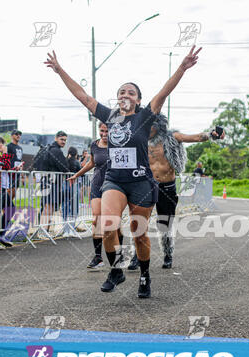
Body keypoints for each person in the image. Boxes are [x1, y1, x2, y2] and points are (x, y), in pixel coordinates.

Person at [45, 44, 202, 298]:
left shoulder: (144, 117)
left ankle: (144, 276)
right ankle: (116, 269)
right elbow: (82, 96)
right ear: (117, 98)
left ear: (138, 100)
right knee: (108, 225)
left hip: (140, 183)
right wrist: (60, 70)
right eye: (121, 91)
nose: (125, 94)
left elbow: (164, 92)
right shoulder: (108, 116)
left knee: (139, 235)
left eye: (130, 92)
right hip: (115, 180)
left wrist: (182, 68)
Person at [128, 113, 225, 270]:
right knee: (139, 221)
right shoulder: (141, 139)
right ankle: (136, 256)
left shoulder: (171, 137)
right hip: (146, 185)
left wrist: (211, 134)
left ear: (158, 126)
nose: (148, 128)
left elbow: (193, 138)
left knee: (165, 223)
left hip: (167, 187)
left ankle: (167, 254)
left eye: (151, 125)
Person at [68, 123, 125, 270]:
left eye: (107, 131)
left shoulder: (118, 145)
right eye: (102, 131)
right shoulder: (94, 145)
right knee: (96, 219)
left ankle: (118, 254)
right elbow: (91, 163)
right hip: (97, 184)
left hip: (114, 186)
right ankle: (98, 257)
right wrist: (76, 175)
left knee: (114, 223)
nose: (104, 133)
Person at [38, 131, 70, 232]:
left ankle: (43, 230)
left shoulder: (46, 148)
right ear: (56, 138)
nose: (63, 142)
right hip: (52, 182)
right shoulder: (56, 151)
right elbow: (65, 167)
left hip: (45, 180)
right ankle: (43, 230)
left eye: (65, 140)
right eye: (62, 139)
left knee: (46, 206)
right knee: (49, 207)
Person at [62, 146, 82, 237]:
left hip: (64, 186)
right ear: (76, 154)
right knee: (74, 208)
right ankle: (72, 229)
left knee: (65, 207)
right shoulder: (77, 162)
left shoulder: (64, 161)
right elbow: (82, 173)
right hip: (74, 186)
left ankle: (65, 230)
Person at [7, 130, 25, 200]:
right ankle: (4, 208)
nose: (18, 135)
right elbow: (5, 158)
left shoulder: (20, 148)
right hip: (10, 172)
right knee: (9, 191)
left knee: (14, 192)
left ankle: (7, 207)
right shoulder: (9, 146)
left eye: (20, 134)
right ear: (12, 136)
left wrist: (22, 175)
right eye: (16, 134)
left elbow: (20, 161)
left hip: (17, 173)